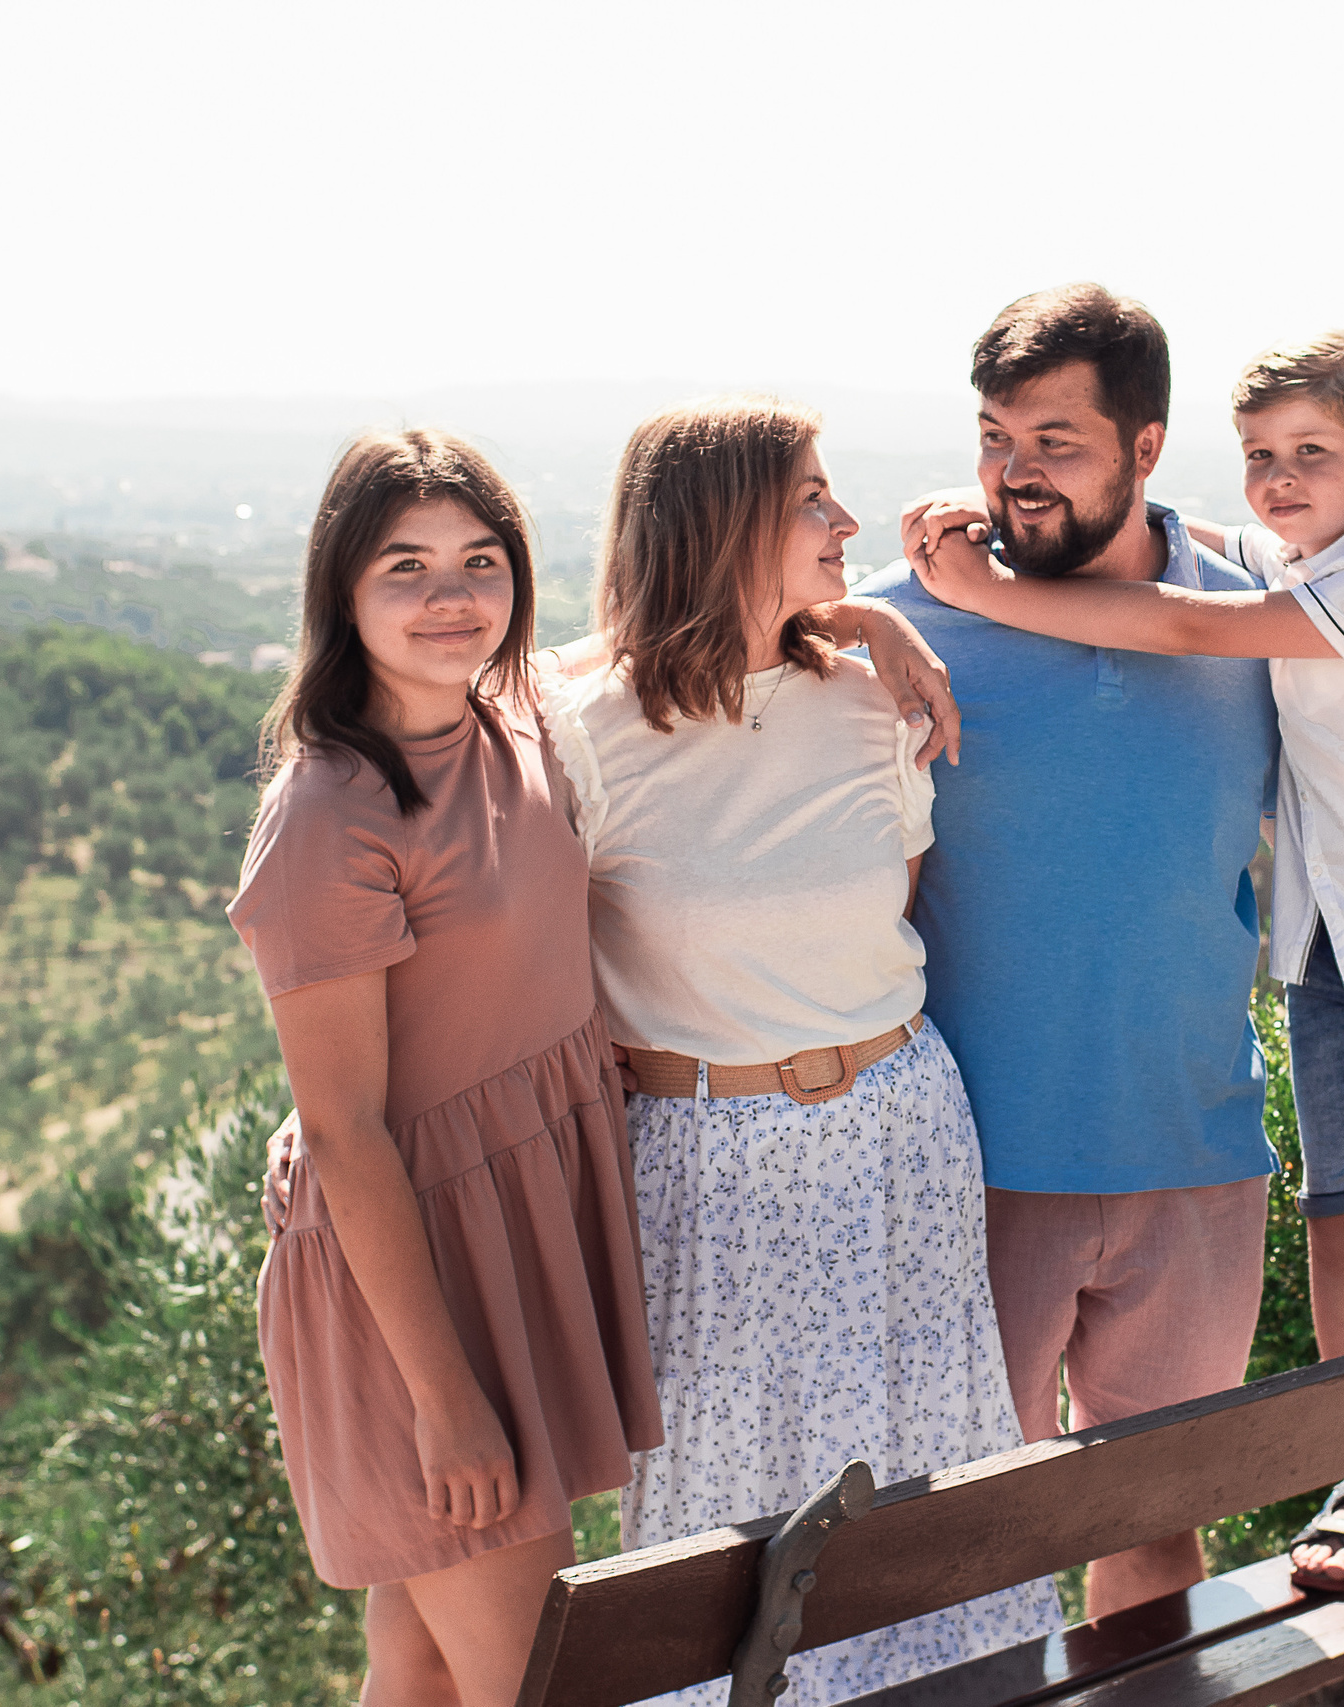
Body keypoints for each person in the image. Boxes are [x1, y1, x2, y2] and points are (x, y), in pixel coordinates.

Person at [855, 286, 1344, 1616]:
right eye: (995, 438)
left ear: (1145, 448)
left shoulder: (1259, 607)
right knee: (960, 1575)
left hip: (1194, 1161)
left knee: (1156, 1542)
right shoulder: (904, 622)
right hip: (973, 1167)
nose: (1016, 473)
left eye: (1057, 441)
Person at [539, 396, 1060, 1700]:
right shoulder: (574, 729)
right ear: (718, 525)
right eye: (810, 500)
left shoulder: (871, 702)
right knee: (723, 1518)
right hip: (708, 1170)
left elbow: (894, 904)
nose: (845, 519)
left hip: (900, 1132)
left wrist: (866, 626)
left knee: (930, 1474)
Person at [226, 429, 663, 1706]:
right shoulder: (327, 815)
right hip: (415, 1292)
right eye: (404, 568)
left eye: (480, 561)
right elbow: (346, 1130)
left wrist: (877, 625)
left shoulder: (515, 717)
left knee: (417, 1667)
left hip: (515, 1240)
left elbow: (692, 636)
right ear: (341, 590)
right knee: (542, 1681)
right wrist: (447, 1400)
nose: (451, 597)